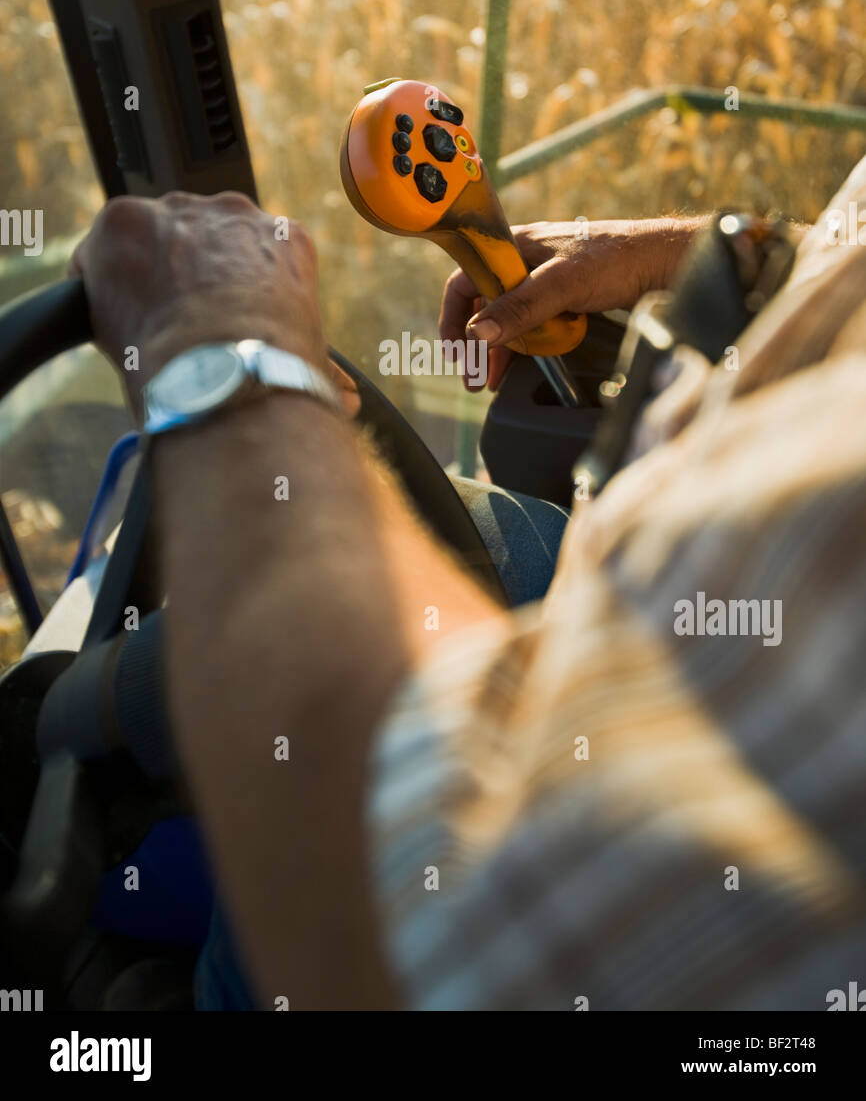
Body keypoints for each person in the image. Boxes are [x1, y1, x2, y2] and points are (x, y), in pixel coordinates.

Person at [69, 154, 866, 1010]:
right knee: (486, 532)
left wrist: (219, 340)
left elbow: (431, 916)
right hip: (665, 554)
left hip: (679, 667)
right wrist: (701, 257)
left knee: (275, 875)